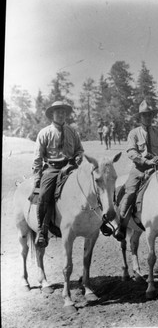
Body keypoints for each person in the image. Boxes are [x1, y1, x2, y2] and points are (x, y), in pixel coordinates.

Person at [114, 101, 158, 241]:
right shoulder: (134, 133)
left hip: (156, 169)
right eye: (144, 115)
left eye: (150, 115)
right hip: (139, 169)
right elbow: (131, 152)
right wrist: (145, 161)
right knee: (130, 192)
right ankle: (121, 225)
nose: (148, 118)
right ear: (140, 117)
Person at [32, 101, 84, 248]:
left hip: (70, 167)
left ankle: (97, 222)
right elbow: (37, 157)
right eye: (58, 112)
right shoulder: (45, 133)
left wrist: (78, 157)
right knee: (44, 196)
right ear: (52, 115)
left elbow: (80, 150)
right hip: (52, 169)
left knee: (90, 185)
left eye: (63, 112)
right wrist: (38, 177)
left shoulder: (72, 131)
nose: (61, 115)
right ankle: (42, 230)